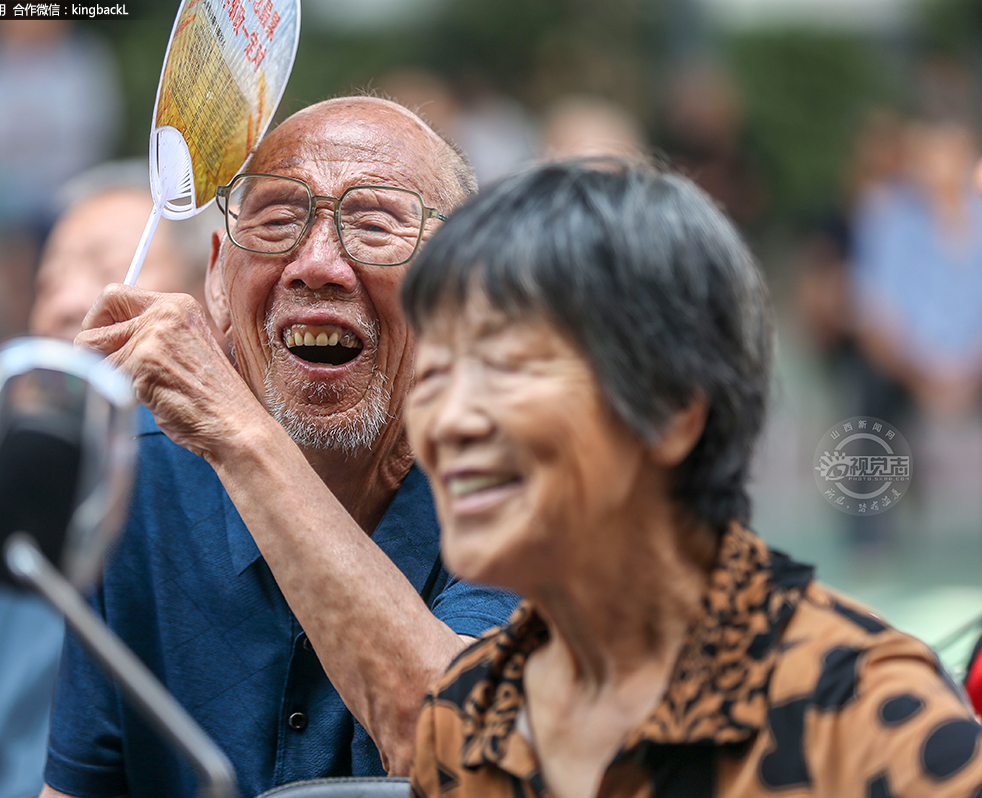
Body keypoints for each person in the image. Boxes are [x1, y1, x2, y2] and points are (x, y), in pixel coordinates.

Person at [402, 159, 982, 798]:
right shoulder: (465, 717)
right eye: (431, 373)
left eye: (506, 366)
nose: (448, 420)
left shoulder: (872, 724)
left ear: (674, 409)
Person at [44, 97, 520, 798]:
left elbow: (457, 751)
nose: (317, 264)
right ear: (214, 275)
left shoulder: (527, 487)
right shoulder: (139, 476)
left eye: (374, 224)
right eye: (274, 221)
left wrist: (240, 438)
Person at [0, 165, 205, 798]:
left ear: (210, 290)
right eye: (48, 280)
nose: (65, 303)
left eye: (106, 266)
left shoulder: (220, 504)